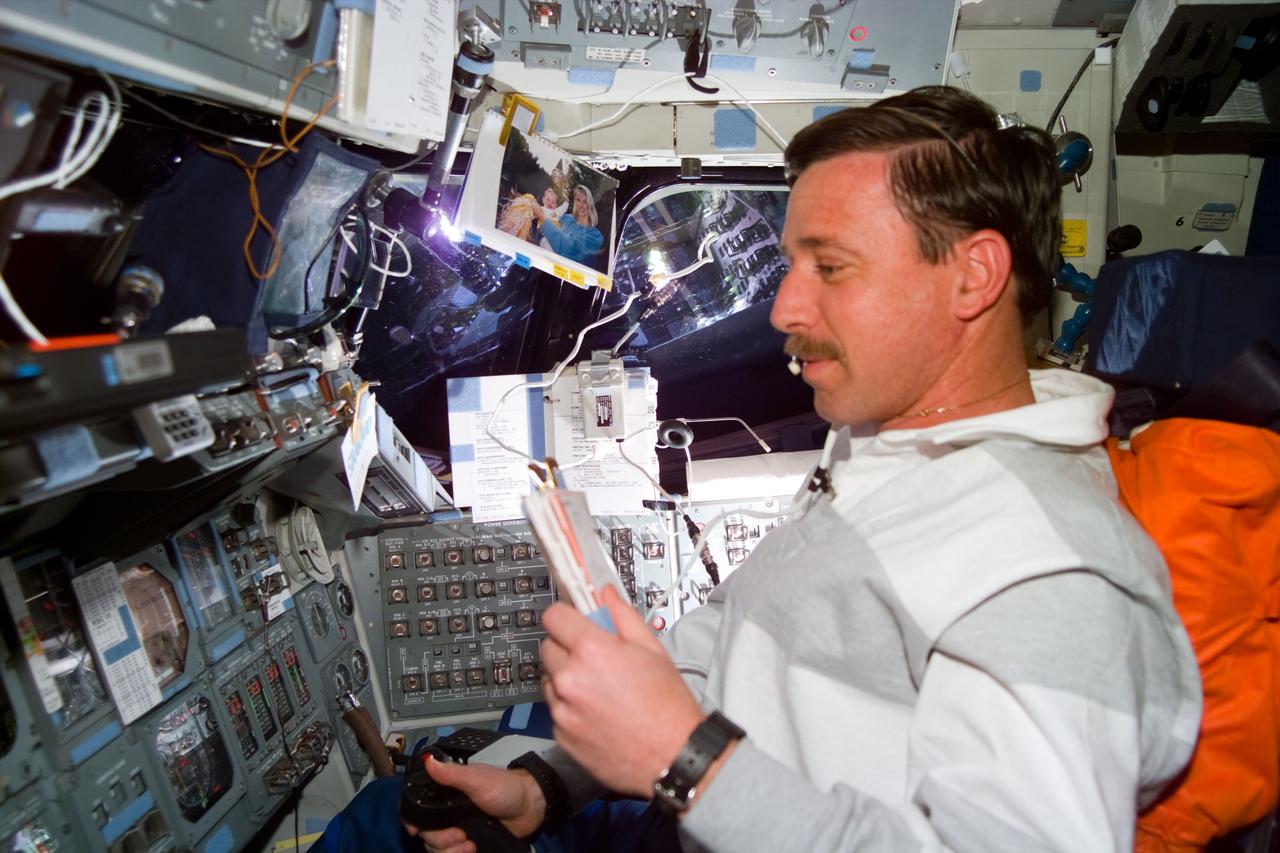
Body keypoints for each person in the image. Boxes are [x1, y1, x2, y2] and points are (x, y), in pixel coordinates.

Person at [408, 86, 1202, 852]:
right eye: (792, 263)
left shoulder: (1049, 572)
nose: (783, 308)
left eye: (830, 266)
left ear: (974, 276)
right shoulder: (884, 441)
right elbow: (731, 645)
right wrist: (550, 784)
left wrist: (684, 760)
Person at [535, 184, 604, 268]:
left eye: (585, 201)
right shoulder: (566, 218)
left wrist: (543, 219)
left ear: (590, 204)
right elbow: (541, 233)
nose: (581, 205)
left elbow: (568, 249)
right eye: (578, 200)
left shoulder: (596, 236)